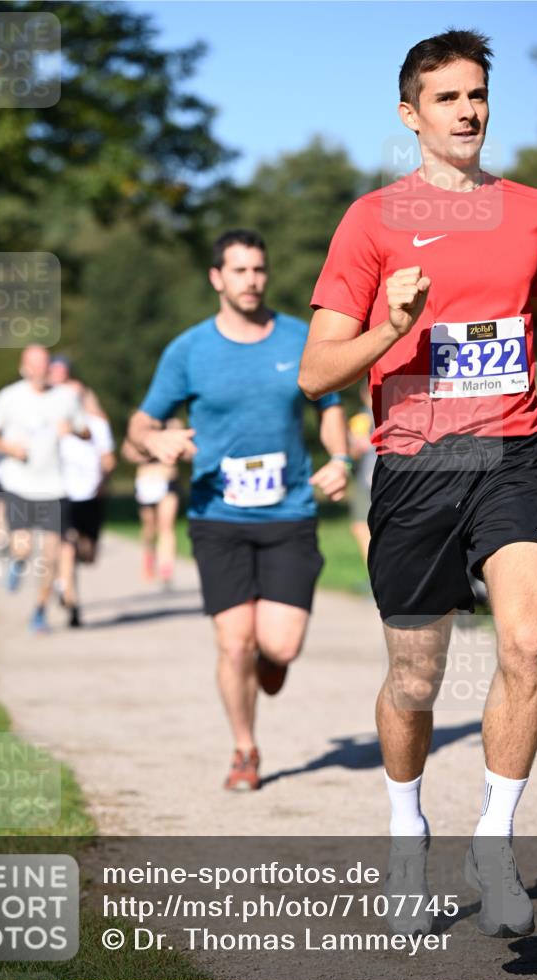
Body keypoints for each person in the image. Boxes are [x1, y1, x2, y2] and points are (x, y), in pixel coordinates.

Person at [300, 29, 537, 937]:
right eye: (446, 97)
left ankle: (493, 839)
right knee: (415, 679)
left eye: (476, 95)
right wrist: (394, 328)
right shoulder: (372, 220)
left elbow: (524, 320)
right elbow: (314, 373)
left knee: (528, 643)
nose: (467, 111)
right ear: (409, 114)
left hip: (512, 454)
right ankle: (406, 832)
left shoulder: (535, 210)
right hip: (417, 464)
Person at [129, 229, 349, 791]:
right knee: (234, 642)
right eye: (239, 271)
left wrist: (340, 458)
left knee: (279, 646)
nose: (251, 281)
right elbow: (140, 425)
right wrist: (154, 444)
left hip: (289, 512)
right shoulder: (189, 350)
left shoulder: (301, 338)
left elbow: (329, 405)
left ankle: (270, 659)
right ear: (216, 278)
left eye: (259, 270)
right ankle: (244, 750)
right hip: (217, 515)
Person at [0, 344, 89, 633]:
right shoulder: (10, 397)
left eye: (45, 364)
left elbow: (86, 430)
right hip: (19, 483)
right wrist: (7, 448)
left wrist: (74, 430)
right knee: (23, 546)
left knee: (51, 555)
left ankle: (39, 611)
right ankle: (17, 561)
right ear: (23, 368)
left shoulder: (66, 397)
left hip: (55, 486)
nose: (40, 370)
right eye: (34, 365)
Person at [56, 381, 117, 627]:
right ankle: (69, 596)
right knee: (67, 543)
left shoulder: (98, 425)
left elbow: (109, 459)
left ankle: (66, 581)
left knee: (88, 554)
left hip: (91, 495)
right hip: (61, 492)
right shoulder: (54, 424)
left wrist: (104, 479)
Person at [122, 420, 182, 586]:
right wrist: (148, 450)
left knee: (166, 526)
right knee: (149, 527)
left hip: (167, 480)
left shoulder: (172, 424)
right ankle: (149, 558)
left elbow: (181, 448)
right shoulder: (140, 422)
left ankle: (166, 569)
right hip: (146, 482)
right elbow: (128, 452)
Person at [347, 384, 375, 564]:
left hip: (382, 480)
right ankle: (374, 576)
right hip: (364, 480)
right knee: (360, 527)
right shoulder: (360, 420)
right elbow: (350, 452)